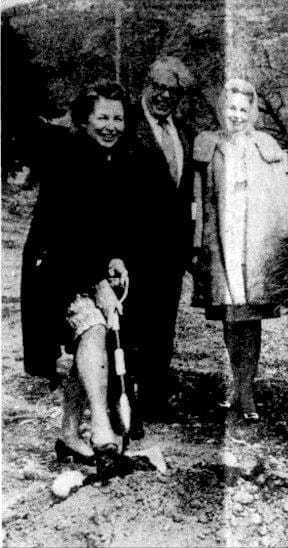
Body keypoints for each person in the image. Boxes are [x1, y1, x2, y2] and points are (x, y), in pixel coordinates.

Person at [28, 80, 142, 473]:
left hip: (84, 265)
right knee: (93, 327)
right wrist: (98, 284)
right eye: (103, 117)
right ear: (85, 120)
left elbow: (103, 227)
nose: (112, 125)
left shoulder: (110, 161)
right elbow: (68, 232)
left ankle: (69, 433)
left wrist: (114, 258)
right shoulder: (69, 157)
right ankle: (102, 431)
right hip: (55, 268)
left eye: (118, 118)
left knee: (88, 343)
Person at [193, 78, 288, 423]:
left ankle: (247, 390)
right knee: (229, 315)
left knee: (250, 319)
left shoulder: (265, 147)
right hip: (223, 240)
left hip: (254, 244)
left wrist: (286, 242)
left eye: (242, 109)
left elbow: (281, 202)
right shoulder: (209, 146)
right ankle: (237, 386)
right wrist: (198, 245)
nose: (236, 115)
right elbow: (201, 201)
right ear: (221, 109)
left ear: (252, 111)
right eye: (230, 108)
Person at [124, 56, 197, 435]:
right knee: (129, 326)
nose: (165, 97)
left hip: (170, 251)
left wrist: (189, 248)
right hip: (132, 248)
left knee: (162, 324)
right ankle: (125, 405)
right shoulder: (126, 126)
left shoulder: (182, 131)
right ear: (146, 85)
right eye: (159, 89)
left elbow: (185, 195)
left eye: (174, 92)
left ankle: (154, 397)